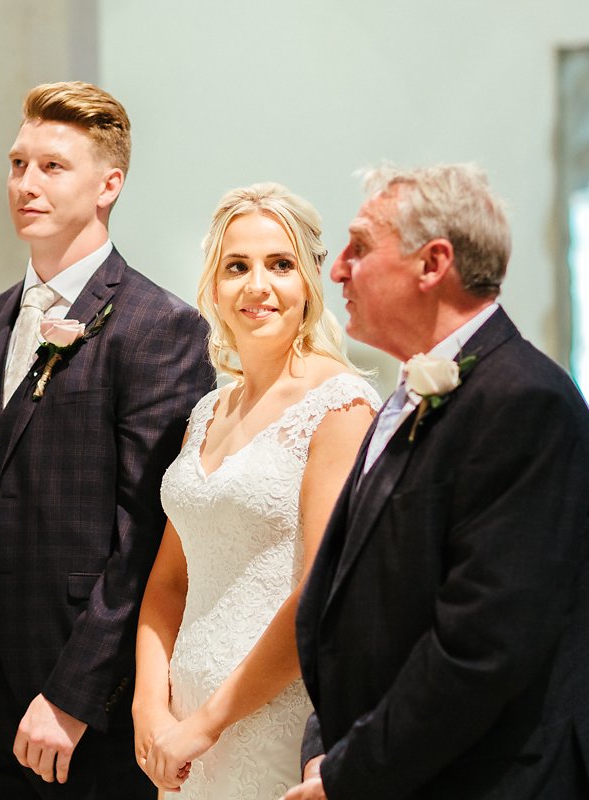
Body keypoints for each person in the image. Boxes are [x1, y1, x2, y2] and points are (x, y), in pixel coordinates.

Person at [0, 81, 215, 798]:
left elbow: (147, 536)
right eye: (18, 164)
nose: (25, 184)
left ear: (109, 184)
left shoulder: (157, 328)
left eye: (51, 167)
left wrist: (76, 694)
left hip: (80, 707)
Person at [286, 164, 589, 799]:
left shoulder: (527, 404)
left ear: (432, 263)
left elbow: (482, 645)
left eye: (361, 246)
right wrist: (324, 746)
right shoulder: (409, 393)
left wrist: (347, 774)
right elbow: (356, 604)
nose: (338, 269)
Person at [132, 183, 379, 798]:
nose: (257, 285)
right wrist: (149, 708)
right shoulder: (205, 414)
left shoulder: (340, 407)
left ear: (309, 283)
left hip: (270, 722)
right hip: (179, 736)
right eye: (236, 267)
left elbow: (320, 592)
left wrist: (209, 722)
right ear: (213, 286)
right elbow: (169, 582)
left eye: (280, 265)